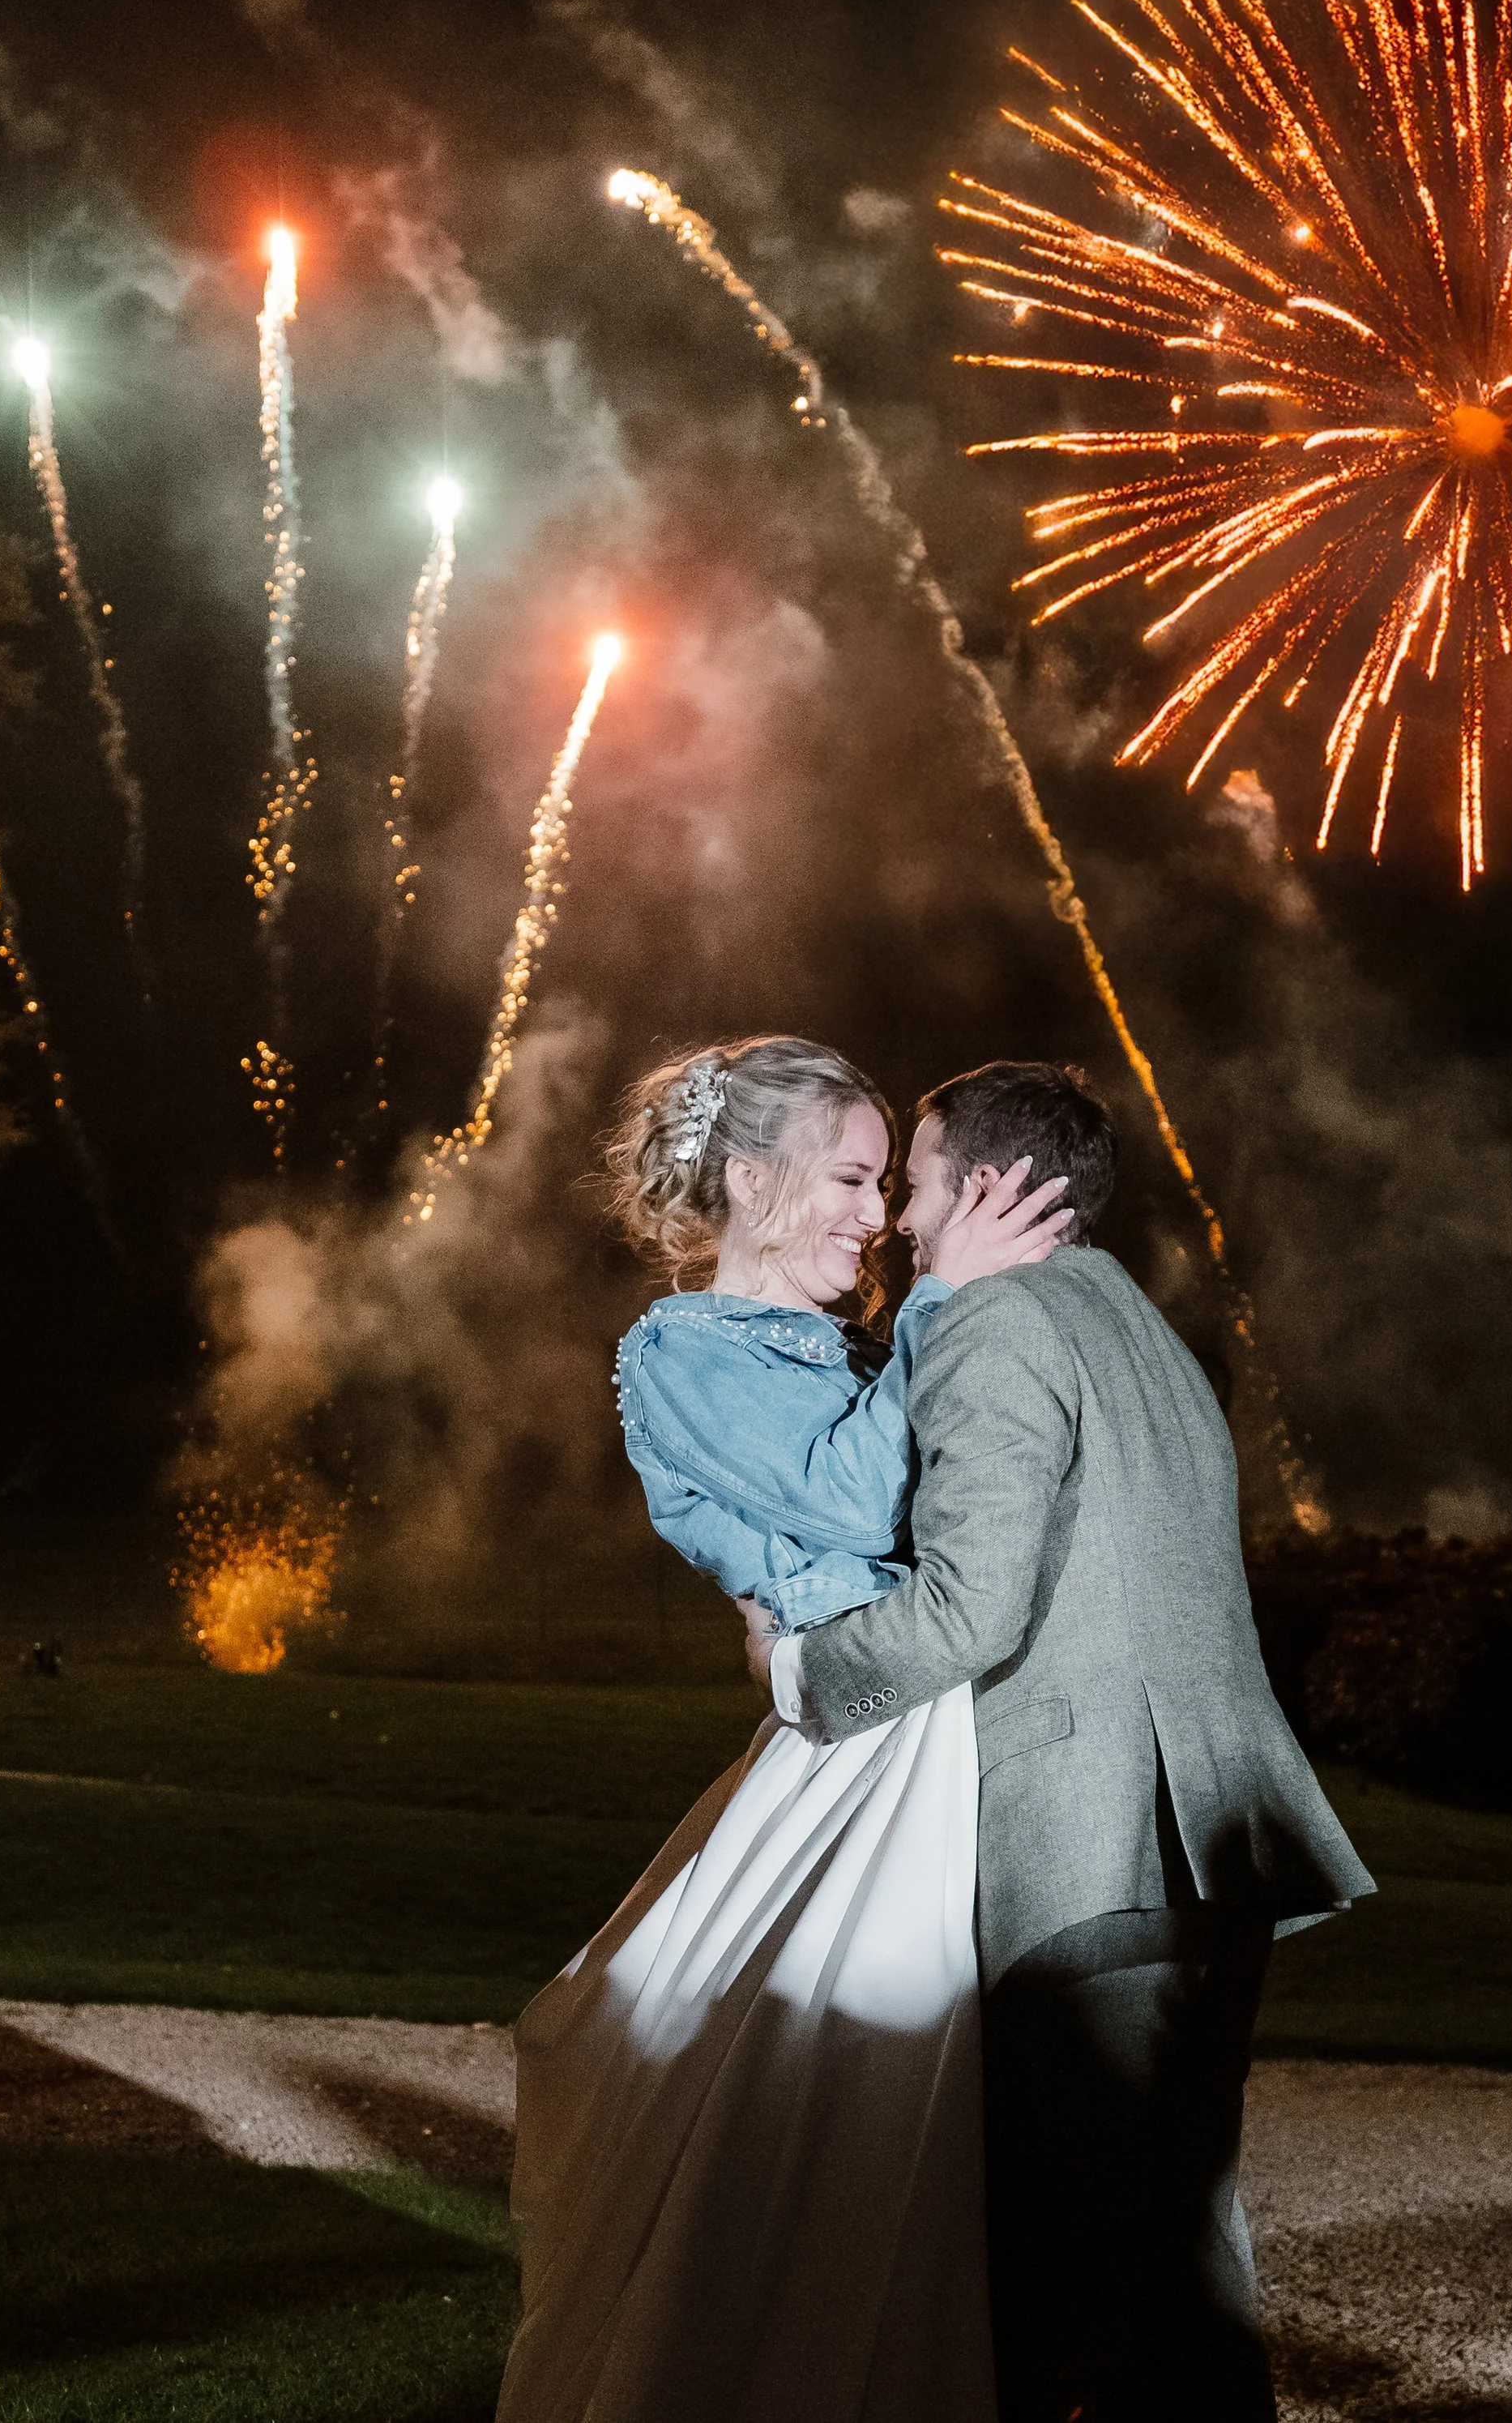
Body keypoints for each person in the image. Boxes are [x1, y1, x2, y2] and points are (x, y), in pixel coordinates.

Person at [757, 1059, 1374, 2423]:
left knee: (1064, 2288)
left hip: (1083, 1849)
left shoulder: (997, 1325)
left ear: (983, 1185)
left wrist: (805, 1668)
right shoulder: (1146, 1335)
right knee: (1185, 2263)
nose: (902, 1224)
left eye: (914, 1185)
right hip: (1210, 1847)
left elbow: (971, 1605)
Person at [495, 1033, 1070, 2423]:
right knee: (830, 2090)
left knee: (908, 2104)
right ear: (752, 1180)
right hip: (862, 1745)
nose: (880, 1218)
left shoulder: (839, 1340)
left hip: (913, 1712)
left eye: (887, 1185)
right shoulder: (677, 1346)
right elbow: (858, 1500)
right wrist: (951, 1297)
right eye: (854, 1179)